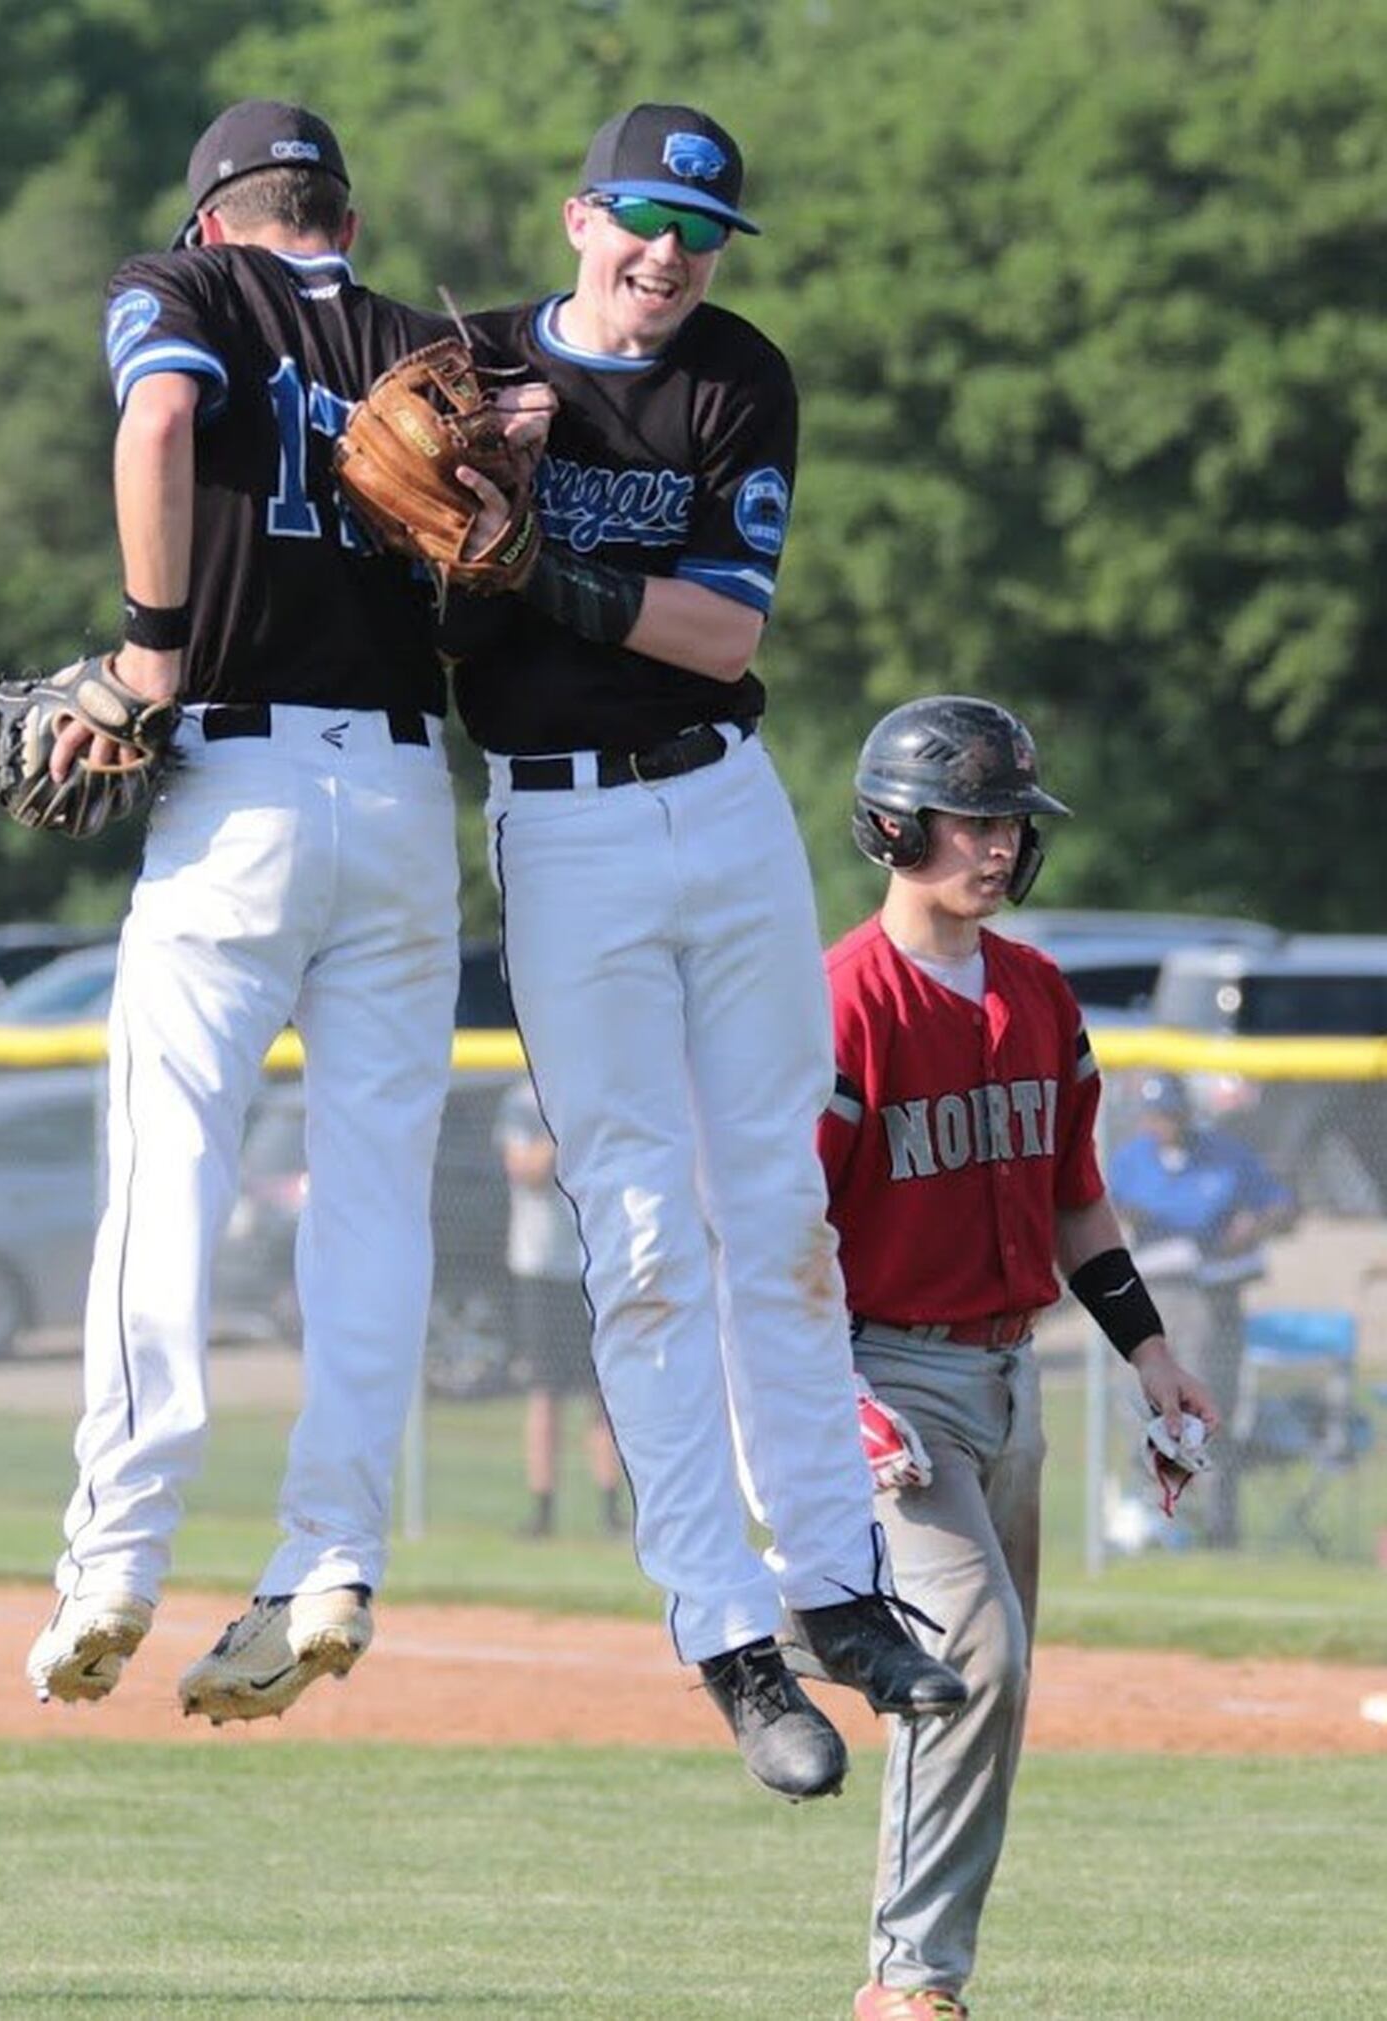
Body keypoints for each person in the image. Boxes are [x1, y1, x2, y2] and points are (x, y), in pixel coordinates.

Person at [450, 103, 968, 1805]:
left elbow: (724, 625)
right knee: (650, 1238)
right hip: (565, 827)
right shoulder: (461, 367)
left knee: (783, 1215)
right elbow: (404, 572)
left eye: (699, 232)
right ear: (580, 211)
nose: (668, 256)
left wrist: (548, 565)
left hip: (725, 801)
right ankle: (728, 1639)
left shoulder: (739, 373)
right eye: (645, 220)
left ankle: (838, 1592)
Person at [24, 100, 548, 1724]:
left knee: (168, 1168)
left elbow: (164, 422)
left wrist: (144, 651)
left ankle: (116, 1558)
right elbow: (528, 431)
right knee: (374, 1202)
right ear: (341, 215)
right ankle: (332, 1557)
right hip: (403, 801)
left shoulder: (185, 293)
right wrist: (515, 430)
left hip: (236, 788)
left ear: (212, 223)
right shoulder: (422, 339)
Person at [817, 694, 1221, 2020]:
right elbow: (772, 1232)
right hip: (884, 1370)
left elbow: (1075, 1200)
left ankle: (772, 1624)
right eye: (974, 817)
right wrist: (832, 1394)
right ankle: (910, 1983)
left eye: (1009, 821)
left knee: (994, 1681)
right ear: (894, 823)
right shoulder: (844, 1004)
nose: (1000, 844)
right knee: (974, 1653)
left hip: (1010, 1377)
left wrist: (1150, 1351)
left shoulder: (1040, 994)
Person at [1108, 1071, 1296, 1547]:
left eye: (1169, 1115)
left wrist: (1253, 1226)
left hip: (1214, 1299)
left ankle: (1217, 1529)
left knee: (1212, 1414)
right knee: (1147, 1413)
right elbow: (1102, 1213)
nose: (1162, 1125)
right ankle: (1155, 1525)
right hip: (1152, 1299)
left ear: (1186, 1114)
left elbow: (1281, 1204)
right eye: (1153, 1116)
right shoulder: (1131, 1160)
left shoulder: (1224, 1154)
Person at [494, 1075, 625, 1539]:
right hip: (540, 1266)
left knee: (602, 1393)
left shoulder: (596, 1088)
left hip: (594, 1264)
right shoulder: (522, 1100)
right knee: (545, 1389)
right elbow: (526, 1170)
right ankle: (543, 1509)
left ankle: (612, 1511)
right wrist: (566, 1131)